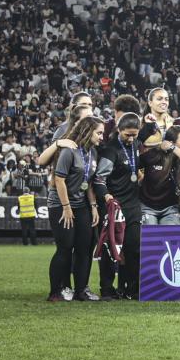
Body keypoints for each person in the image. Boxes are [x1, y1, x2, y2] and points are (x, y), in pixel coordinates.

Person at [47, 116, 104, 302]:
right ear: (88, 131)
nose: (102, 136)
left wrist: (93, 207)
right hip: (60, 204)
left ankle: (82, 290)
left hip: (81, 204)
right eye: (99, 133)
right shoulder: (69, 150)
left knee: (84, 247)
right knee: (65, 247)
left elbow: (88, 183)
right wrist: (66, 207)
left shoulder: (92, 152)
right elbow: (59, 179)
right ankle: (56, 291)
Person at [94, 112, 145, 300]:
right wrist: (106, 196)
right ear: (119, 130)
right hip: (113, 206)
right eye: (127, 135)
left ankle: (130, 288)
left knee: (133, 247)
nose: (131, 138)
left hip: (133, 205)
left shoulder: (137, 146)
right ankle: (107, 289)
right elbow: (99, 178)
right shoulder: (111, 150)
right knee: (110, 248)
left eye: (134, 134)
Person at [140, 125, 180, 226]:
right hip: (148, 208)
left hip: (171, 209)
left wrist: (173, 148)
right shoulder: (153, 154)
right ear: (171, 142)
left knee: (170, 238)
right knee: (151, 239)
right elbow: (135, 165)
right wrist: (140, 177)